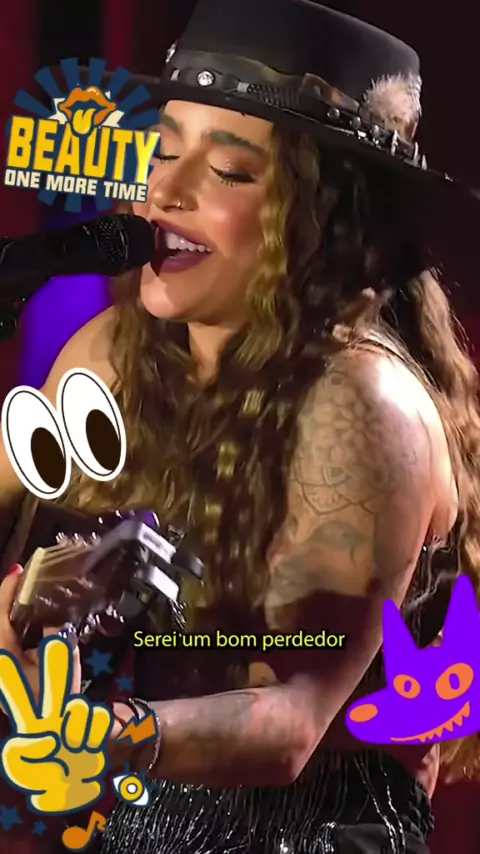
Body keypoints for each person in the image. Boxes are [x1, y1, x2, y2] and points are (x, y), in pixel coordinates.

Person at [0, 1, 479, 852]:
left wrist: (106, 737)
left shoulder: (363, 407)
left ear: (325, 216)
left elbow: (292, 721)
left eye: (227, 170)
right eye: (163, 150)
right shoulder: (108, 357)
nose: (163, 192)